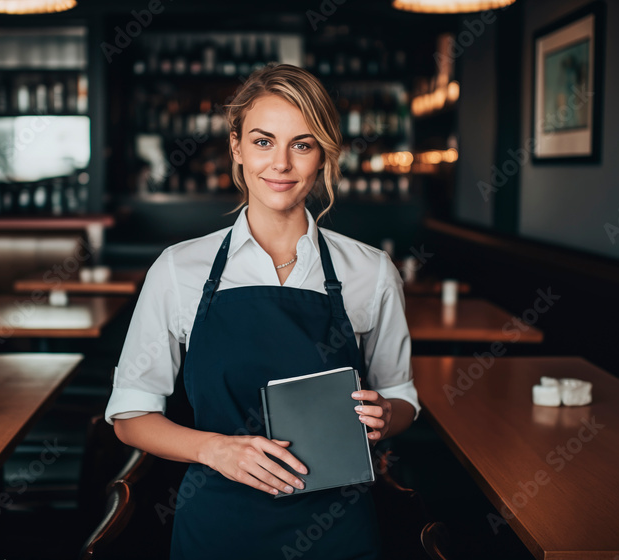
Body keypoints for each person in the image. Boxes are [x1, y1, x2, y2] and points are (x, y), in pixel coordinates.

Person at [105, 63, 419, 559]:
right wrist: (213, 449)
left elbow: (401, 397)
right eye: (263, 141)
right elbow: (130, 414)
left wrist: (385, 415)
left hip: (338, 526)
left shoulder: (372, 270)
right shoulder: (178, 268)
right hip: (218, 523)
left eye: (302, 143)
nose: (282, 164)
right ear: (237, 148)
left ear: (323, 155)